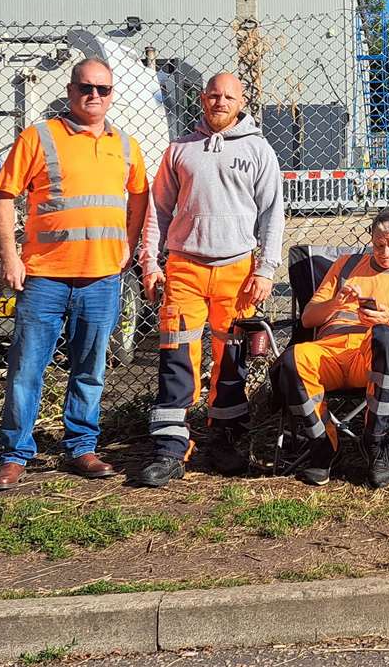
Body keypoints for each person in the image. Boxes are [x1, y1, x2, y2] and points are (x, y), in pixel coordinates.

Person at [0, 58, 150, 491]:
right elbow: (3, 197)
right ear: (71, 89)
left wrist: (127, 249)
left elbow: (140, 199)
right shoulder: (39, 137)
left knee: (90, 367)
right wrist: (10, 256)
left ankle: (81, 446)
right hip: (44, 277)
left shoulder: (126, 145)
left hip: (101, 279)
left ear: (112, 93)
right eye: (86, 88)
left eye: (103, 89)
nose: (94, 96)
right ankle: (15, 454)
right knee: (26, 369)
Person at [134, 72, 285, 487]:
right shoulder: (179, 150)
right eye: (214, 95)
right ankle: (169, 449)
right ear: (202, 99)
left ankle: (227, 441)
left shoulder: (258, 149)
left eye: (229, 97)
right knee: (177, 359)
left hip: (238, 271)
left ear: (242, 102)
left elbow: (273, 213)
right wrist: (150, 263)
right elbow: (157, 212)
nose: (220, 102)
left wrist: (266, 270)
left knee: (232, 362)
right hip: (184, 268)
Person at [274, 207, 389, 489]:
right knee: (293, 359)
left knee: (386, 338)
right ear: (371, 239)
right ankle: (324, 446)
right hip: (331, 351)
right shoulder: (345, 266)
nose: (385, 253)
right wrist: (336, 303)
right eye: (378, 245)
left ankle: (376, 443)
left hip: (372, 359)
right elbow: (308, 319)